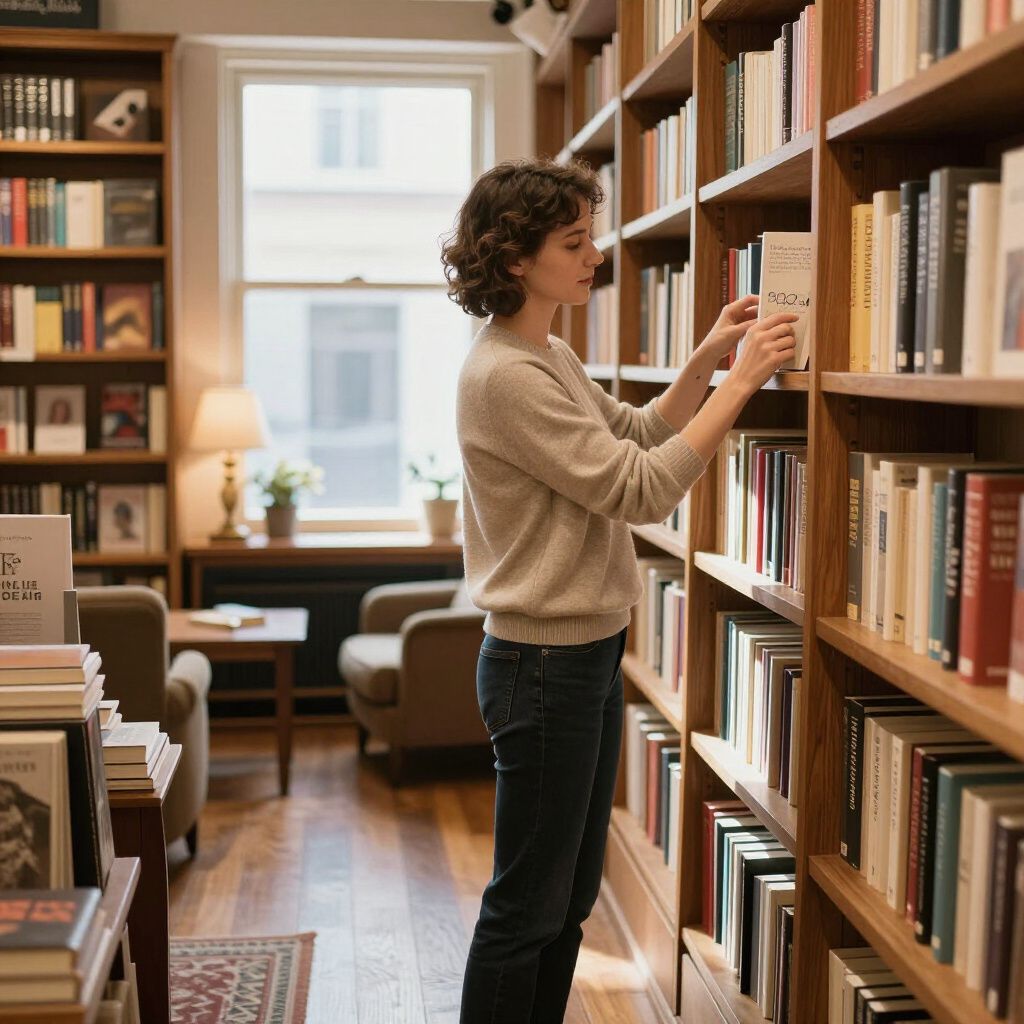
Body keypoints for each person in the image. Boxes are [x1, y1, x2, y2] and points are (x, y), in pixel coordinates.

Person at [442, 157, 796, 1024]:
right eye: (574, 242)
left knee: (566, 896)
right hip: (542, 665)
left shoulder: (545, 350)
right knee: (529, 901)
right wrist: (744, 383)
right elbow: (639, 488)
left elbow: (635, 432)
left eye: (590, 236)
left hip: (582, 655)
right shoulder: (506, 375)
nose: (595, 255)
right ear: (516, 258)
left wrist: (709, 359)